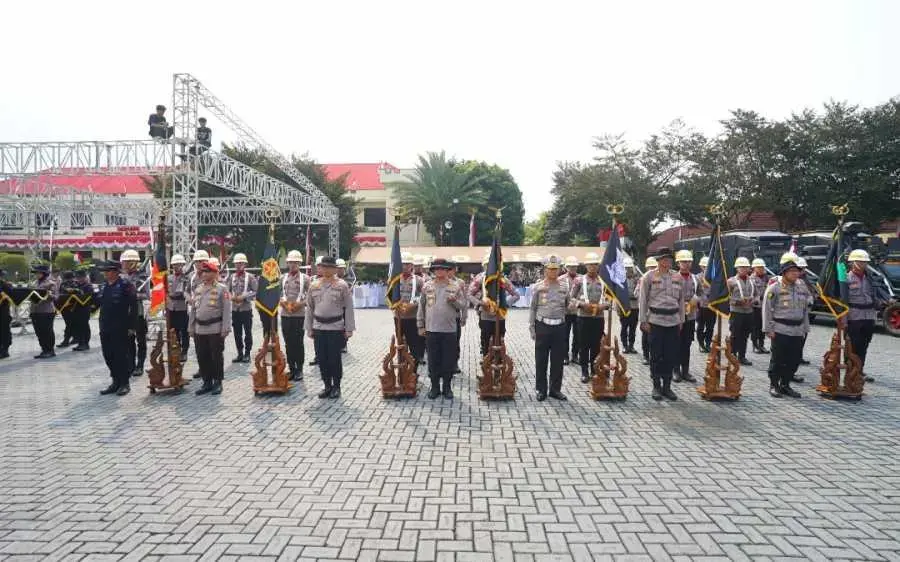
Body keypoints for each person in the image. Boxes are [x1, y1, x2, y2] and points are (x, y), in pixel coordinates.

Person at [638, 247, 685, 401]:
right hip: (655, 321)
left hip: (673, 321)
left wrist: (681, 320)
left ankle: (667, 386)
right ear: (658, 260)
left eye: (669, 259)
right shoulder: (648, 277)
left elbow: (682, 301)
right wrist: (643, 320)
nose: (667, 262)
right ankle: (656, 385)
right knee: (656, 355)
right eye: (664, 259)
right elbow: (643, 300)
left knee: (670, 355)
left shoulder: (678, 277)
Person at [305, 257, 355, 399]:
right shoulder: (314, 285)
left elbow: (349, 308)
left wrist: (349, 328)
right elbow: (309, 308)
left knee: (334, 358)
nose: (326, 269)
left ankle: (337, 386)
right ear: (320, 268)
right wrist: (309, 327)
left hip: (335, 327)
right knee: (322, 358)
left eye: (329, 267)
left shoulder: (342, 285)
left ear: (334, 269)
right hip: (319, 327)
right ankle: (327, 385)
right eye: (323, 267)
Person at [416, 259, 465, 399]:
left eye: (443, 269)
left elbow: (463, 305)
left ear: (447, 270)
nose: (439, 271)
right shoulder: (427, 286)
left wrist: (454, 301)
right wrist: (420, 325)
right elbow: (421, 307)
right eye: (436, 269)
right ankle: (435, 387)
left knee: (448, 360)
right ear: (433, 271)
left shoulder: (455, 287)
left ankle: (447, 388)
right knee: (433, 359)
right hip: (431, 329)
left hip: (449, 330)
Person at [762, 258, 810, 398]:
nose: (796, 274)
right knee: (778, 359)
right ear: (784, 273)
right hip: (780, 329)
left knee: (794, 359)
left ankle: (785, 384)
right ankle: (774, 385)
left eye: (797, 271)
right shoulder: (774, 287)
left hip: (797, 329)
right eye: (792, 271)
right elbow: (766, 309)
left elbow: (805, 309)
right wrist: (768, 329)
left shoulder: (801, 287)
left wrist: (805, 328)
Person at [529, 255, 570, 401]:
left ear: (559, 270)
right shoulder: (538, 286)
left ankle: (555, 390)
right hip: (542, 325)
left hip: (559, 326)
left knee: (558, 360)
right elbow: (533, 308)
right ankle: (541, 389)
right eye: (550, 269)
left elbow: (568, 305)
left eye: (555, 269)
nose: (553, 272)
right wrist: (532, 327)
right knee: (541, 359)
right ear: (545, 270)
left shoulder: (565, 286)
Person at [189, 261, 232, 396]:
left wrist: (225, 328)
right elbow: (194, 310)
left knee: (216, 357)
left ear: (214, 273)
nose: (203, 274)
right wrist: (191, 327)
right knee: (202, 356)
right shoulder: (198, 289)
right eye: (202, 272)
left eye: (207, 272)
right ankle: (206, 382)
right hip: (199, 329)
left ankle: (217, 382)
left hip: (215, 327)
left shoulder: (221, 289)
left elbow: (227, 310)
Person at [844, 249, 885, 382]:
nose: (863, 264)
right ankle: (850, 371)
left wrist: (882, 302)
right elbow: (842, 302)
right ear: (853, 262)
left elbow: (874, 295)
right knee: (852, 346)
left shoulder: (870, 278)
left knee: (864, 345)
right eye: (860, 262)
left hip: (869, 316)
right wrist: (843, 320)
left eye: (865, 262)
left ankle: (859, 370)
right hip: (854, 316)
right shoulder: (845, 278)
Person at [97, 260, 138, 396]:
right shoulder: (104, 286)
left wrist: (132, 326)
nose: (106, 273)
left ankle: (124, 383)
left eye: (108, 271)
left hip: (121, 326)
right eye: (105, 271)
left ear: (115, 271)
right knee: (108, 355)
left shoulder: (125, 285)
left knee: (121, 355)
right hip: (105, 326)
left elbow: (133, 306)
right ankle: (115, 381)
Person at [469, 254, 520, 358]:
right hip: (485, 315)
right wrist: (479, 303)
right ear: (484, 266)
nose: (491, 268)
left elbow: (516, 295)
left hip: (499, 316)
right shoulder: (480, 279)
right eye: (488, 265)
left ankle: (499, 362)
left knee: (499, 341)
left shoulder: (502, 279)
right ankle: (486, 363)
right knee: (485, 340)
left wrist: (505, 304)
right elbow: (469, 294)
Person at [568, 252, 608, 383]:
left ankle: (594, 370)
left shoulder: (603, 281)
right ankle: (584, 371)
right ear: (586, 266)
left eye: (595, 264)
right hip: (583, 317)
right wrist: (581, 304)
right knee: (583, 345)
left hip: (598, 318)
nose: (593, 267)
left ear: (598, 266)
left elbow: (610, 299)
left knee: (597, 345)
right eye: (590, 264)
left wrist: (604, 306)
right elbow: (570, 298)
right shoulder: (579, 280)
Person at [280, 250, 310, 380]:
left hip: (299, 315)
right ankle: (291, 368)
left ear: (299, 263)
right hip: (285, 315)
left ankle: (300, 369)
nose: (292, 265)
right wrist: (283, 303)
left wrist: (301, 304)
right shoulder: (283, 278)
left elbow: (310, 297)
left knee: (298, 342)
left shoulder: (305, 278)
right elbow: (278, 294)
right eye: (290, 262)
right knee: (288, 343)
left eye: (295, 262)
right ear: (287, 263)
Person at [395, 252, 426, 367]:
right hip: (398, 317)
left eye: (407, 264)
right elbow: (388, 296)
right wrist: (395, 305)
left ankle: (413, 373)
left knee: (414, 345)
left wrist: (413, 304)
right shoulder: (395, 279)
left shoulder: (419, 280)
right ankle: (402, 371)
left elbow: (424, 296)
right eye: (403, 264)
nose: (405, 266)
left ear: (411, 265)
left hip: (413, 317)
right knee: (400, 344)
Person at [121, 250, 149, 376]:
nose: (123, 264)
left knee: (141, 341)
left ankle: (140, 365)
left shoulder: (142, 277)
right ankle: (131, 364)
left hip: (138, 313)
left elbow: (146, 295)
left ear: (132, 263)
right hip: (125, 314)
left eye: (126, 262)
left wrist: (133, 295)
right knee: (128, 341)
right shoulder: (122, 277)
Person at [673, 250, 700, 383]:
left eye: (689, 261)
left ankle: (685, 371)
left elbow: (702, 293)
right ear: (678, 263)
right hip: (677, 316)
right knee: (676, 343)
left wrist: (696, 300)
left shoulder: (696, 278)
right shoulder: (673, 277)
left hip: (691, 316)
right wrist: (680, 303)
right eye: (684, 261)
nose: (687, 264)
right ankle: (675, 370)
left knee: (687, 344)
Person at [228, 253, 257, 364]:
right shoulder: (231, 277)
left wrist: (244, 297)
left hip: (246, 309)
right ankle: (239, 353)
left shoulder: (250, 277)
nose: (239, 265)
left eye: (241, 263)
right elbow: (227, 291)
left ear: (245, 264)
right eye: (237, 263)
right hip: (235, 310)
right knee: (237, 333)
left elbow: (255, 291)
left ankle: (247, 354)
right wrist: (232, 298)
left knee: (247, 332)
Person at [727, 257, 755, 366]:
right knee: (735, 334)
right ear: (737, 268)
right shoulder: (731, 281)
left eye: (746, 267)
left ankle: (742, 356)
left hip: (749, 312)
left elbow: (757, 294)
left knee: (745, 335)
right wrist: (738, 302)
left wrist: (755, 300)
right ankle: (732, 355)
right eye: (742, 267)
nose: (744, 269)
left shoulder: (751, 281)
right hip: (736, 312)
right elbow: (726, 297)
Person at [30, 264, 58, 359]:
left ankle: (50, 350)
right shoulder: (34, 283)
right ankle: (44, 349)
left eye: (39, 272)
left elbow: (55, 297)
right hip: (34, 310)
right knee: (39, 331)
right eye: (36, 273)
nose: (37, 274)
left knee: (47, 331)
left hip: (46, 311)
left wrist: (48, 294)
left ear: (44, 273)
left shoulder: (51, 283)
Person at [166, 254, 191, 362]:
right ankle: (178, 349)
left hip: (182, 308)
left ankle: (184, 351)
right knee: (174, 331)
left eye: (179, 264)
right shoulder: (169, 278)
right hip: (171, 308)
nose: (177, 267)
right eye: (175, 265)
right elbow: (166, 292)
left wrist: (174, 295)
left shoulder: (187, 278)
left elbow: (185, 292)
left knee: (184, 331)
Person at [639, 256, 657, 365]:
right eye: (650, 267)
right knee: (646, 337)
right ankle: (646, 355)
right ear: (646, 268)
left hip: (656, 314)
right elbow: (637, 294)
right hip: (646, 312)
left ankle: (654, 355)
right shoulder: (643, 279)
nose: (652, 269)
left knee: (655, 337)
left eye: (654, 267)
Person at [750, 258, 770, 354]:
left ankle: (761, 345)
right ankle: (755, 345)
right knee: (755, 327)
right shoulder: (751, 279)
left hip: (765, 306)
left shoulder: (767, 278)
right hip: (755, 306)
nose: (761, 269)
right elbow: (750, 293)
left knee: (763, 326)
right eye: (759, 267)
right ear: (754, 268)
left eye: (762, 267)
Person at [620, 257, 640, 354]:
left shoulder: (637, 278)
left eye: (629, 267)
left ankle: (631, 345)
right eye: (626, 268)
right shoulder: (620, 278)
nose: (628, 269)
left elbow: (639, 292)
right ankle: (624, 345)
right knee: (624, 327)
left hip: (635, 306)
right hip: (624, 306)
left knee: (633, 327)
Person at [562, 256, 580, 365]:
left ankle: (575, 355)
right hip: (565, 312)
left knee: (578, 335)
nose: (573, 268)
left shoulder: (582, 279)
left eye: (575, 266)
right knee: (565, 335)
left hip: (578, 312)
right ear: (566, 267)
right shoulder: (561, 279)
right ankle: (565, 356)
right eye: (571, 266)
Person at [695, 256, 715, 353]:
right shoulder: (697, 277)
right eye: (705, 267)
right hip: (701, 306)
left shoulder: (715, 277)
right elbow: (696, 293)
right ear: (702, 267)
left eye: (709, 267)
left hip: (712, 306)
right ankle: (701, 343)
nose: (707, 268)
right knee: (700, 326)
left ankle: (708, 343)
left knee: (710, 327)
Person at [71, 269, 93, 351]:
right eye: (77, 277)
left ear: (84, 277)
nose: (78, 279)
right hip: (75, 308)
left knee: (84, 326)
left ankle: (85, 343)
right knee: (77, 326)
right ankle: (80, 343)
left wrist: (79, 291)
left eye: (80, 277)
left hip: (84, 309)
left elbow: (89, 296)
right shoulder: (76, 285)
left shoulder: (88, 286)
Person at [56, 271, 78, 348]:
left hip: (65, 306)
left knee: (69, 324)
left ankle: (66, 340)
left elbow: (60, 294)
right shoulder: (75, 283)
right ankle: (75, 338)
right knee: (71, 323)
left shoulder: (64, 284)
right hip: (73, 306)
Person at [0, 268, 11, 359]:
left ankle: (4, 350)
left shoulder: (5, 285)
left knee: (4, 330)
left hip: (3, 311)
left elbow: (10, 296)